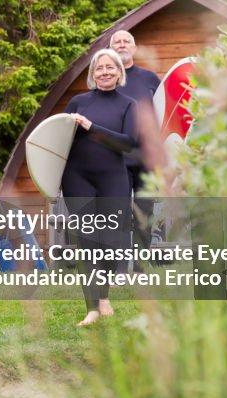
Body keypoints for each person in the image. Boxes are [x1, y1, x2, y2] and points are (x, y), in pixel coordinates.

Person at [63, 48, 137, 326]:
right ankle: (92, 307)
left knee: (113, 242)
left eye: (110, 67)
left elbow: (128, 142)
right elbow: (57, 140)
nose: (104, 72)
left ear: (119, 72)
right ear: (92, 74)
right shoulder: (77, 102)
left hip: (113, 178)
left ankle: (103, 293)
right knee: (87, 242)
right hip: (77, 177)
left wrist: (91, 127)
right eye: (99, 68)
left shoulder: (127, 104)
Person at [109, 30, 161, 271]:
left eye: (126, 40)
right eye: (116, 41)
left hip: (146, 159)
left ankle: (140, 269)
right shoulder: (107, 78)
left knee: (144, 215)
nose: (121, 44)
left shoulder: (150, 79)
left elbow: (164, 114)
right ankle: (119, 270)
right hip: (116, 158)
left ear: (134, 47)